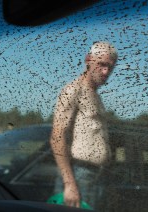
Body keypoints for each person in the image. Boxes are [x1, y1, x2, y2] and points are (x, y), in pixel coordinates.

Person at [50, 41, 118, 209]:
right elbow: (57, 137)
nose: (105, 71)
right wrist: (69, 184)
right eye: (101, 64)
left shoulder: (95, 95)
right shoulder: (73, 90)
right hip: (79, 176)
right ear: (88, 60)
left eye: (110, 67)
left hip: (97, 175)